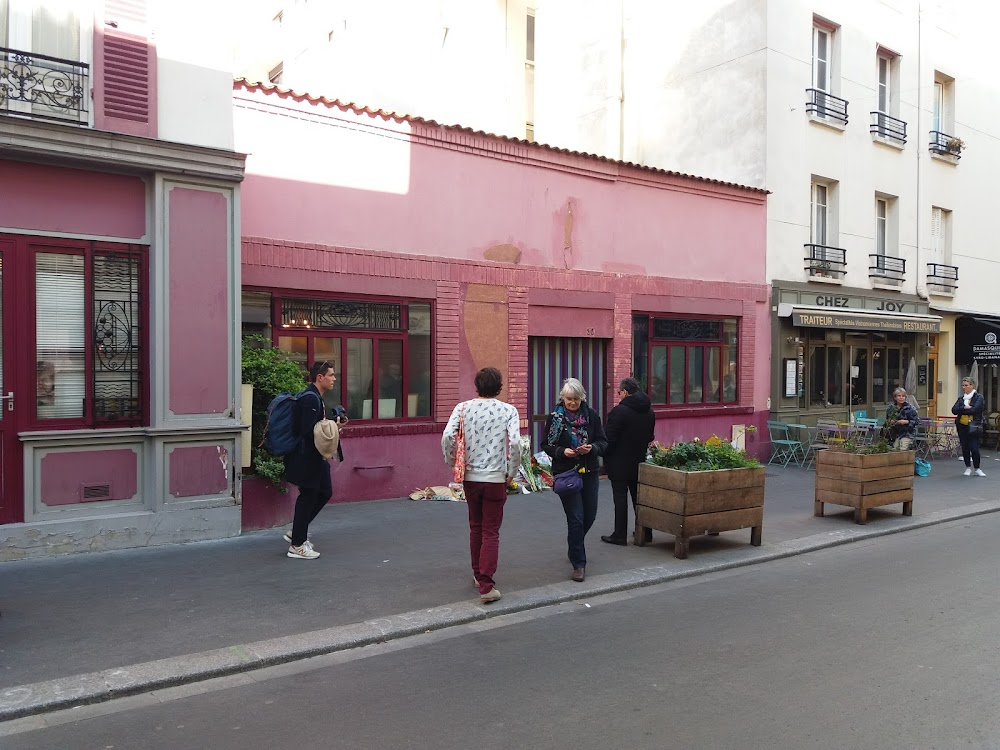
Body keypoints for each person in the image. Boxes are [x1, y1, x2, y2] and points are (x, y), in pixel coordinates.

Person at [442, 367, 520, 604]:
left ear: (477, 386)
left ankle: (478, 575)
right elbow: (515, 442)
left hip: (471, 478)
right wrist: (512, 471)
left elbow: (447, 436)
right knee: (491, 531)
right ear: (499, 387)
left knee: (475, 527)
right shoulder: (508, 410)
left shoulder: (462, 408)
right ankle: (486, 585)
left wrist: (453, 461)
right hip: (496, 478)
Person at [543, 378, 607, 583]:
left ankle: (574, 544)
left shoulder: (592, 416)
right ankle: (579, 564)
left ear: (582, 398)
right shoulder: (555, 419)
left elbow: (603, 441)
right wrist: (564, 452)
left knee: (590, 516)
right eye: (569, 399)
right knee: (576, 519)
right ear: (562, 398)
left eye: (576, 399)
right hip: (567, 472)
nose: (572, 403)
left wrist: (593, 448)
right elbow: (547, 445)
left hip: (589, 471)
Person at [284, 360, 347, 559]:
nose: (334, 379)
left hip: (317, 457)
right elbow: (307, 431)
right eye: (331, 375)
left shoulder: (314, 397)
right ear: (320, 377)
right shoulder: (310, 399)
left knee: (324, 492)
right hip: (307, 457)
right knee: (308, 497)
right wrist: (332, 429)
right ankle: (297, 545)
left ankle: (297, 531)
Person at [601, 377, 655, 546]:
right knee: (638, 498)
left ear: (625, 392)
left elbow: (609, 438)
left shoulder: (619, 411)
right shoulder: (649, 411)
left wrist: (605, 454)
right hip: (639, 459)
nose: (619, 396)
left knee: (620, 498)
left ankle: (619, 535)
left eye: (619, 392)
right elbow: (649, 437)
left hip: (619, 461)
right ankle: (645, 532)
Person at [952, 376, 986, 477]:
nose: (964, 387)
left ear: (972, 385)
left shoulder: (978, 397)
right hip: (962, 425)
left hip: (974, 425)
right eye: (962, 385)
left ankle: (977, 468)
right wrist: (964, 407)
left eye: (966, 385)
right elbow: (954, 410)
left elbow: (975, 410)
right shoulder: (961, 398)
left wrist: (962, 410)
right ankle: (968, 467)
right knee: (965, 447)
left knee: (974, 448)